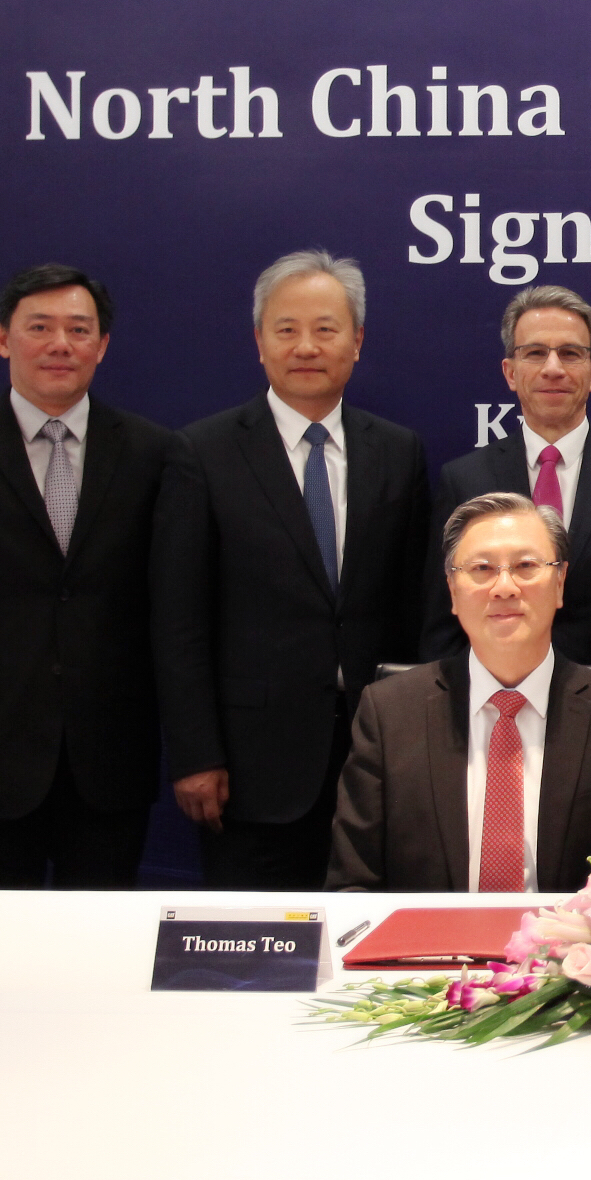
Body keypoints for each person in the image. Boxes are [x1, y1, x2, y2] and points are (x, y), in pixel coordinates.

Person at [0, 264, 181, 888]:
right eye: (39, 327)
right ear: (2, 338)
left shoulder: (153, 453)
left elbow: (170, 598)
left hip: (109, 754)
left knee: (100, 936)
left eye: (79, 329)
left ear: (102, 345)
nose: (60, 344)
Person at [154, 250, 430, 890]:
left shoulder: (397, 451)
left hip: (377, 757)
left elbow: (417, 608)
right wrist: (196, 754)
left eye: (326, 329)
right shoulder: (202, 453)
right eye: (286, 329)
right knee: (257, 940)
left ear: (357, 341)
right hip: (250, 766)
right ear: (259, 342)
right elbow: (178, 622)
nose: (306, 346)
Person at [328, 493, 591, 893]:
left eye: (526, 566)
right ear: (452, 590)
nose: (504, 588)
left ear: (560, 582)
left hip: (566, 935)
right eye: (482, 569)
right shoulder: (389, 715)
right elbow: (352, 888)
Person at [424, 285, 591, 749]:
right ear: (510, 371)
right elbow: (443, 623)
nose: (553, 368)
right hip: (488, 719)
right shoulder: (463, 479)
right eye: (535, 353)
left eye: (570, 353)